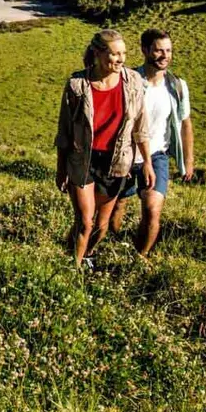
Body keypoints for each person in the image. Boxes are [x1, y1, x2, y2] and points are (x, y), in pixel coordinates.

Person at [54, 29, 151, 267]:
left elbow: (140, 125)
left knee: (100, 227)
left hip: (116, 161)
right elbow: (64, 132)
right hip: (82, 160)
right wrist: (60, 169)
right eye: (114, 54)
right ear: (97, 53)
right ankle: (71, 270)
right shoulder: (77, 85)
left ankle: (83, 255)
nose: (120, 59)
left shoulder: (134, 82)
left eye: (123, 54)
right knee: (85, 222)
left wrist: (147, 162)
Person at [110, 28, 192, 256]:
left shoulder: (177, 86)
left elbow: (185, 123)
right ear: (145, 50)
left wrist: (188, 159)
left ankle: (140, 257)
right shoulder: (129, 81)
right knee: (118, 205)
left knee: (152, 209)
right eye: (158, 50)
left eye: (168, 50)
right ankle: (110, 244)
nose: (164, 55)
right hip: (125, 154)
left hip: (157, 155)